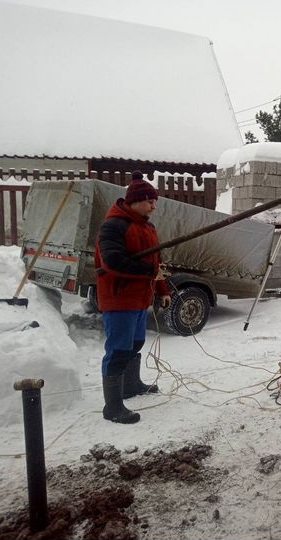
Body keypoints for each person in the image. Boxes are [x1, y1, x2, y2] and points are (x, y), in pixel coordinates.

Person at [95, 171, 172, 423]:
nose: (153, 206)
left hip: (140, 298)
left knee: (136, 343)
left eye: (155, 201)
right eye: (150, 201)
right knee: (118, 350)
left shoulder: (147, 226)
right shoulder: (114, 225)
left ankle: (131, 385)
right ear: (135, 201)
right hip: (119, 299)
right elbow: (112, 261)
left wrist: (162, 290)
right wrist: (149, 272)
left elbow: (155, 262)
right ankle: (113, 407)